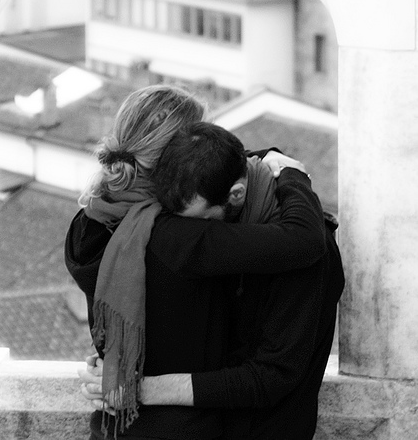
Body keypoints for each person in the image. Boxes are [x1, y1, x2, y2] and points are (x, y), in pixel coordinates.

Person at [65, 90, 330, 439]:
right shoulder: (180, 236)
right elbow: (304, 239)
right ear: (174, 157)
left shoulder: (93, 221)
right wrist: (292, 176)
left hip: (114, 428)